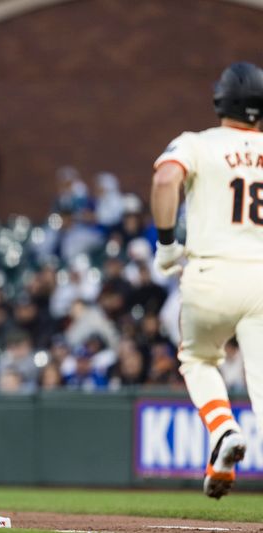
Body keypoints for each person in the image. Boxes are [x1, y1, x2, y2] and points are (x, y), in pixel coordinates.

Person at [151, 61, 263, 500]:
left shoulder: (198, 143)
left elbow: (165, 178)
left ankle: (222, 429)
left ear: (221, 100)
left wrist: (165, 244)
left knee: (198, 357)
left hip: (211, 272)